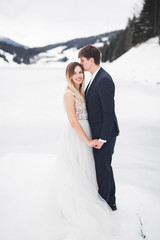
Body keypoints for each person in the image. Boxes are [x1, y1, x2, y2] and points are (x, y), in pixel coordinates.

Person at [54, 62, 114, 240]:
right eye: (75, 73)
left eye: (81, 72)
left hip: (86, 133)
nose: (79, 76)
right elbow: (73, 122)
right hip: (76, 136)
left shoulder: (81, 91)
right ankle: (74, 206)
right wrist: (87, 140)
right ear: (69, 76)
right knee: (76, 169)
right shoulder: (69, 93)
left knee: (86, 169)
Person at [78, 45, 120, 211]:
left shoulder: (103, 80)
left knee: (103, 169)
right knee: (104, 167)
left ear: (91, 60)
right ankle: (110, 201)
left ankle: (106, 205)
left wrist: (103, 138)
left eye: (82, 60)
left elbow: (109, 113)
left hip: (106, 134)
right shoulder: (95, 77)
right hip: (99, 132)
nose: (80, 64)